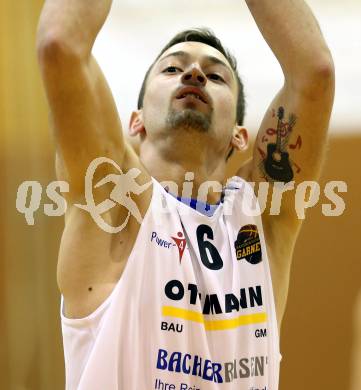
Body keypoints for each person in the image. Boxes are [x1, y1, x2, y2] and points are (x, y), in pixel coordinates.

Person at [36, 1, 335, 389]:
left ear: (240, 136)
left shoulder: (261, 217)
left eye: (216, 76)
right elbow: (60, 43)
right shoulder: (113, 205)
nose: (194, 73)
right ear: (136, 120)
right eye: (173, 68)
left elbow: (315, 73)